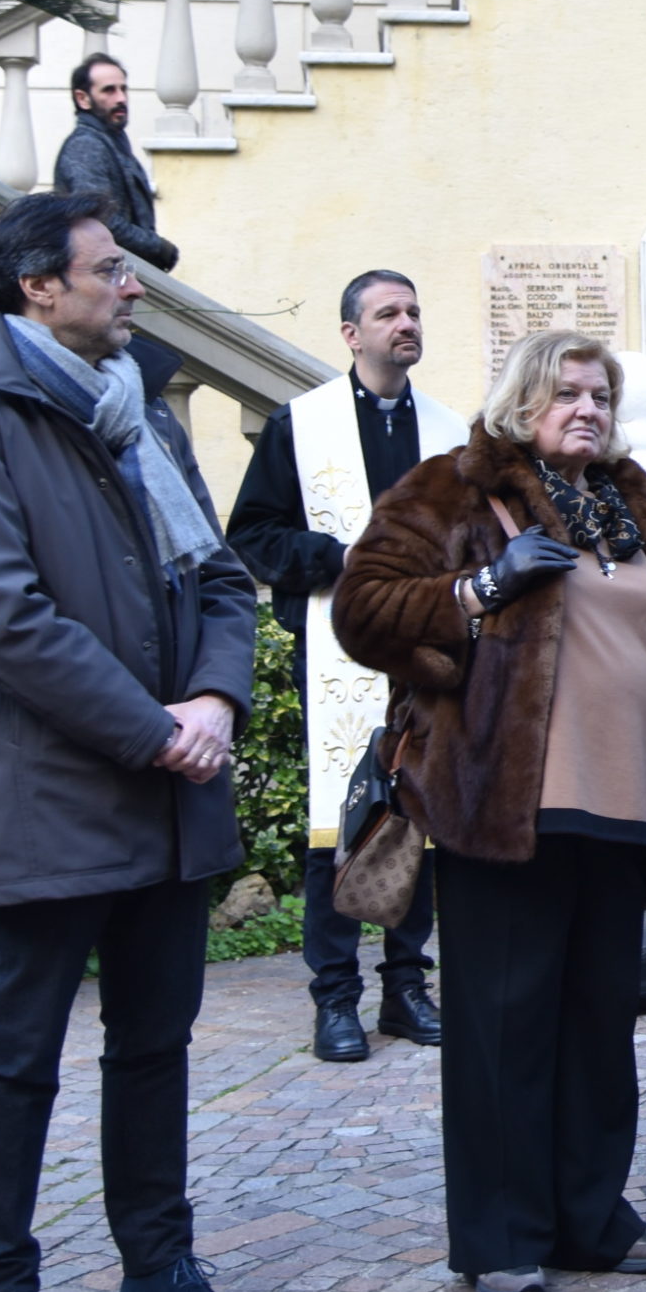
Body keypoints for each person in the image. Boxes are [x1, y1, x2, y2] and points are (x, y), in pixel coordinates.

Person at [0, 191, 262, 1292]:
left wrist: (213, 699)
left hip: (172, 789)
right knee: (20, 1054)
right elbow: (2, 617)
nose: (134, 286)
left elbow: (221, 575)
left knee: (154, 1044)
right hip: (55, 790)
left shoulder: (144, 420)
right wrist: (154, 730)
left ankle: (157, 1268)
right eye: (110, 269)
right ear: (34, 289)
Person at [333, 330, 646, 1292]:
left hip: (622, 802)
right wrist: (477, 589)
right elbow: (363, 608)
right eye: (565, 391)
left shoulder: (637, 505)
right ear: (521, 399)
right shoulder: (456, 488)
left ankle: (591, 1214)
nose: (586, 406)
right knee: (503, 1022)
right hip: (509, 800)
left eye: (600, 392)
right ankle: (499, 1234)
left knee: (597, 1024)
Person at [225, 269, 464, 1061]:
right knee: (342, 818)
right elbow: (253, 534)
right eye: (387, 313)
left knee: (421, 815)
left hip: (427, 646)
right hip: (338, 646)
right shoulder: (300, 424)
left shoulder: (450, 432)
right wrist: (341, 558)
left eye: (413, 311)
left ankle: (406, 987)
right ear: (351, 334)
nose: (406, 323)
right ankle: (335, 997)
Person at [52, 51, 178, 271]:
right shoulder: (85, 146)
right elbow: (99, 219)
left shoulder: (110, 141)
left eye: (123, 89)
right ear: (83, 98)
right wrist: (158, 248)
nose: (121, 98)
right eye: (109, 90)